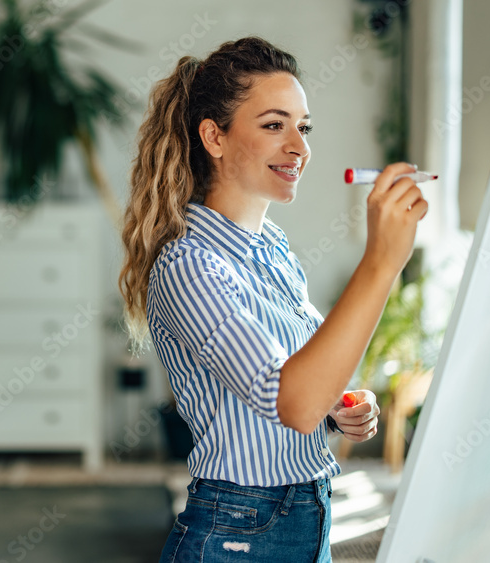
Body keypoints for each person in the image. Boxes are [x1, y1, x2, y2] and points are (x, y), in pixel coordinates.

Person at [118, 36, 428, 562]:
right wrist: (381, 263)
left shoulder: (275, 249)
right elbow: (292, 402)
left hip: (308, 517)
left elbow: (306, 383)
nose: (299, 147)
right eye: (274, 125)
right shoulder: (189, 264)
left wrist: (340, 406)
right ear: (214, 137)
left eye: (303, 128)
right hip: (237, 533)